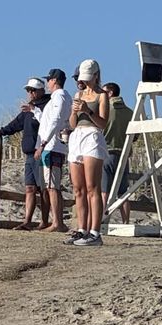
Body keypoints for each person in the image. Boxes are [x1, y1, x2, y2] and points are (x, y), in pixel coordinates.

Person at [67, 60, 111, 247]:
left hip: (93, 136)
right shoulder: (78, 94)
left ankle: (95, 231)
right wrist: (75, 112)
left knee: (93, 187)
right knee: (78, 188)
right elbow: (72, 124)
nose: (85, 82)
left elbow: (103, 123)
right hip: (77, 136)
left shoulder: (102, 96)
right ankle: (81, 229)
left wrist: (87, 111)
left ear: (96, 75)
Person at [0, 78, 50, 229]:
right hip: (28, 153)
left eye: (33, 90)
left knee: (43, 188)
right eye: (28, 90)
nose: (30, 93)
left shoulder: (47, 106)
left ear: (41, 90)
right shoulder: (28, 109)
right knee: (30, 188)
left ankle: (44, 221)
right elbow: (15, 124)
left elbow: (49, 124)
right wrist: (0, 132)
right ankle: (27, 221)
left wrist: (35, 111)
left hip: (41, 152)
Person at [34, 68, 72, 233]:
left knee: (52, 186)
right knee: (52, 185)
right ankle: (57, 221)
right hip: (53, 145)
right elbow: (48, 120)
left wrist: (43, 143)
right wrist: (35, 112)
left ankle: (57, 222)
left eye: (49, 80)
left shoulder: (60, 96)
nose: (48, 83)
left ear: (54, 80)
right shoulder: (61, 97)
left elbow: (56, 119)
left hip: (52, 146)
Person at [101, 83, 133, 224]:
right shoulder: (130, 112)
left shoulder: (106, 111)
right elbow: (135, 135)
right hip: (124, 153)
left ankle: (102, 220)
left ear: (110, 93)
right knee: (123, 191)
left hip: (107, 151)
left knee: (104, 190)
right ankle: (126, 221)